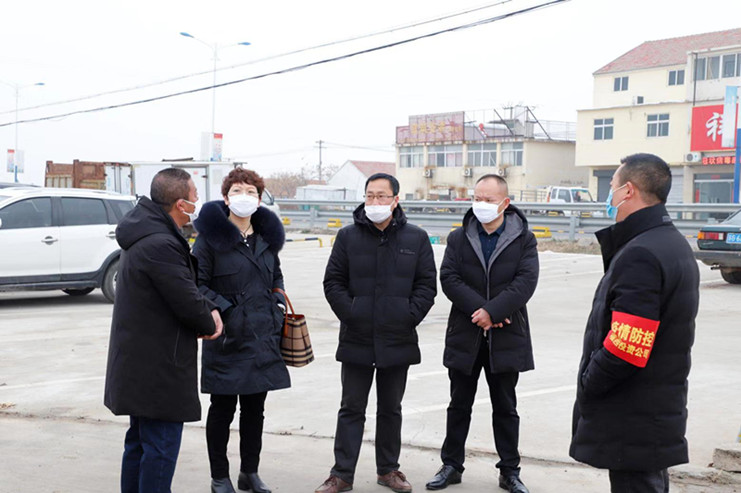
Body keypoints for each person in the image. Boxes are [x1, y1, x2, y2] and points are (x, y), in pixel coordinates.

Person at [570, 153, 700, 492]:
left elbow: (626, 347)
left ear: (628, 190)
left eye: (612, 187)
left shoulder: (641, 253)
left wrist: (589, 382)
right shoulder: (671, 243)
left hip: (633, 414)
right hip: (651, 411)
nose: (609, 196)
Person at [316, 173, 437, 493]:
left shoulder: (416, 238)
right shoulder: (348, 236)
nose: (375, 202)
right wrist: (352, 313)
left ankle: (388, 470)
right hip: (357, 336)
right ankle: (342, 474)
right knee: (351, 408)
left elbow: (426, 286)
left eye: (382, 196)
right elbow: (333, 282)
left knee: (390, 409)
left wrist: (407, 316)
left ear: (395, 200)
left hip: (397, 336)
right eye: (370, 195)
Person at [104, 167, 223, 493]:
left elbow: (178, 288)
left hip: (141, 362)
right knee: (159, 447)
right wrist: (209, 318)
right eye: (195, 196)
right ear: (180, 204)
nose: (198, 202)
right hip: (158, 368)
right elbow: (185, 299)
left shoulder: (145, 233)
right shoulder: (160, 243)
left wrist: (208, 306)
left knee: (139, 443)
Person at [426, 174, 538, 493]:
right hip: (466, 332)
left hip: (507, 335)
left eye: (488, 200)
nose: (481, 205)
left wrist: (495, 311)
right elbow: (449, 278)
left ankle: (510, 471)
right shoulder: (459, 237)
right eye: (477, 198)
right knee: (458, 404)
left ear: (505, 203)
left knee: (505, 407)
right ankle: (451, 465)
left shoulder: (524, 239)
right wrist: (481, 311)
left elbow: (525, 282)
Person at [191, 168, 290, 493]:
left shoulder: (266, 239)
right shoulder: (209, 240)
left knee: (254, 410)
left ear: (259, 200)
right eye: (237, 191)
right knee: (222, 410)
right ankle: (220, 477)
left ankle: (250, 472)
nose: (243, 197)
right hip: (227, 338)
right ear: (225, 198)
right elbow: (196, 284)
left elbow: (276, 276)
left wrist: (277, 302)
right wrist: (228, 310)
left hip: (262, 337)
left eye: (250, 192)